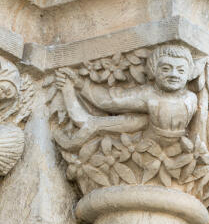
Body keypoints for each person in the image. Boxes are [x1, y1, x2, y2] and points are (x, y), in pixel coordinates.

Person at [55, 45, 197, 149]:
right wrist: (80, 83)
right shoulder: (149, 94)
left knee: (138, 121)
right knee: (133, 121)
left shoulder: (191, 98)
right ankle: (81, 119)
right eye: (166, 69)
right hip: (146, 145)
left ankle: (89, 123)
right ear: (153, 70)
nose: (173, 74)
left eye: (181, 70)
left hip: (179, 150)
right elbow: (111, 100)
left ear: (189, 73)